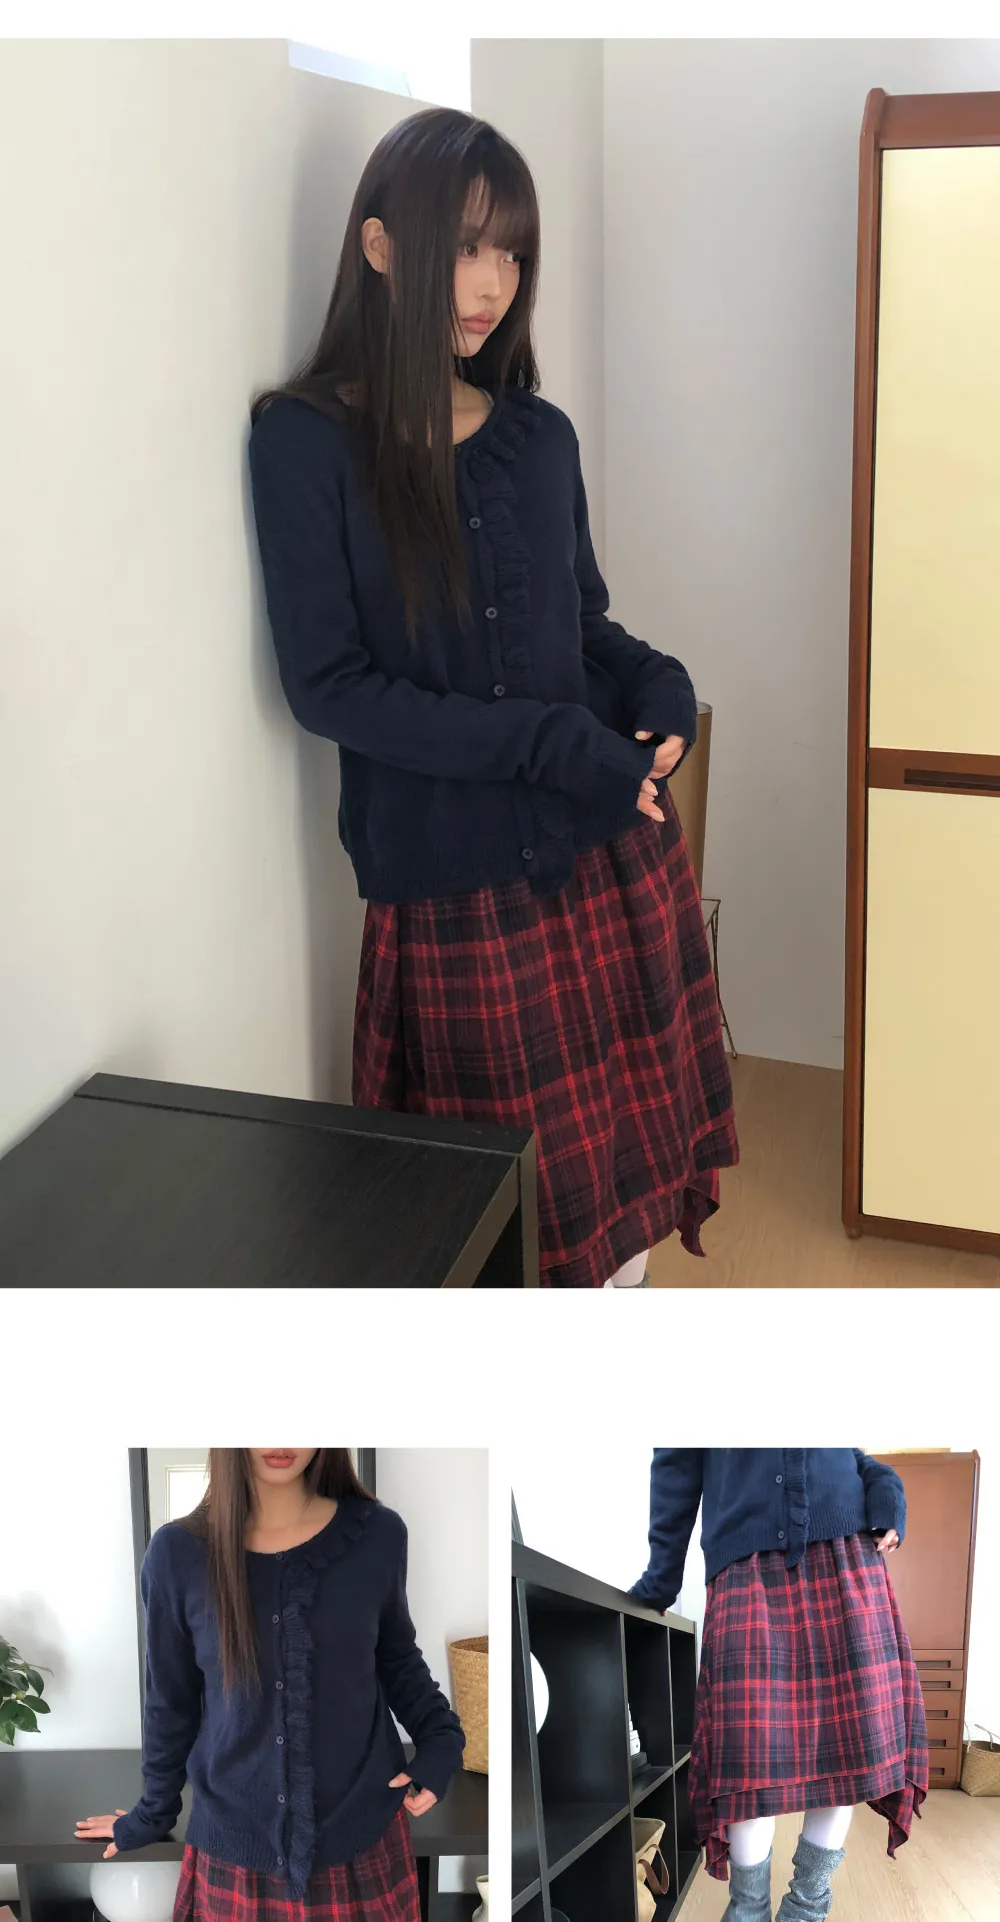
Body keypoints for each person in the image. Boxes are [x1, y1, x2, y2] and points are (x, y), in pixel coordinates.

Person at [249, 105, 739, 1290]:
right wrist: (553, 743)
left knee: (621, 1232)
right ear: (380, 245)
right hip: (456, 899)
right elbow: (331, 689)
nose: (492, 282)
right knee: (507, 1246)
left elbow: (581, 627)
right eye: (467, 245)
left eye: (511, 252)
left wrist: (658, 683)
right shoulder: (305, 442)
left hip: (612, 866)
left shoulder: (539, 436)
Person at [74, 1449, 459, 1922]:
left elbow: (397, 1659)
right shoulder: (177, 1554)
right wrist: (150, 1812)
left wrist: (441, 1742)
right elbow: (169, 1703)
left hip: (361, 1851)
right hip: (238, 1863)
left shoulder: (377, 1535)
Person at [633, 1445, 929, 1922]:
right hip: (743, 1563)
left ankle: (802, 1921)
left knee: (844, 1753)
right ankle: (748, 1913)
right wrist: (661, 1579)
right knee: (747, 1759)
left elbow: (856, 1457)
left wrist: (888, 1498)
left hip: (846, 1555)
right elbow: (677, 1463)